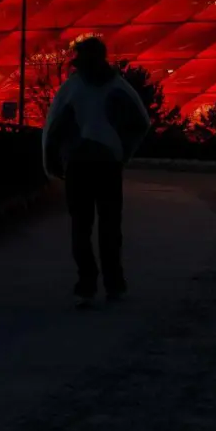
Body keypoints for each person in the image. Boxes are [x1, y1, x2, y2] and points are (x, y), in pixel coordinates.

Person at [41, 37, 151, 308]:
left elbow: (53, 127)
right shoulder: (118, 87)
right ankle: (114, 284)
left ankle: (86, 285)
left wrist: (52, 162)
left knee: (81, 227)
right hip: (108, 165)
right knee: (110, 226)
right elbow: (141, 122)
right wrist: (123, 151)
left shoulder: (72, 88)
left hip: (78, 165)